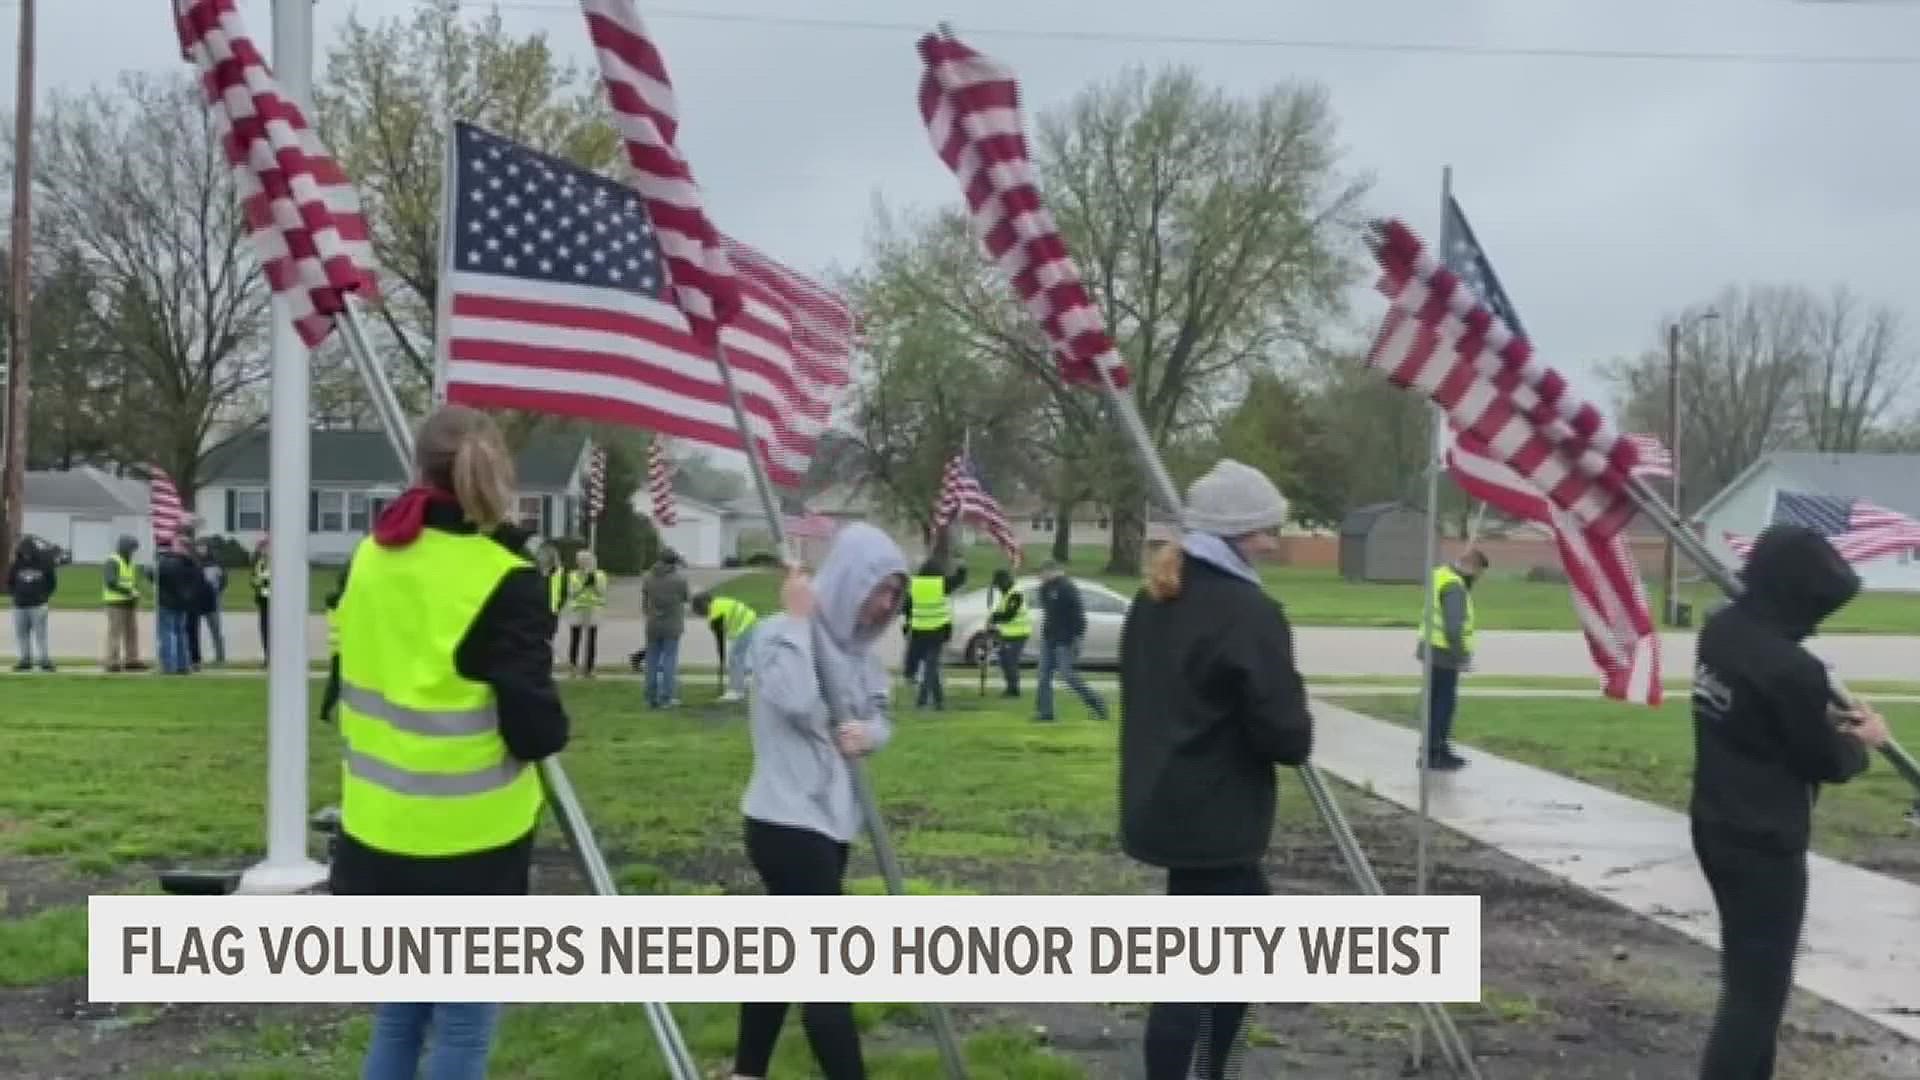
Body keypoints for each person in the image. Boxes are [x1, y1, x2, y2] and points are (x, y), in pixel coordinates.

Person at [325, 403, 571, 1080]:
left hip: (376, 831)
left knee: (402, 1009)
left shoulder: (370, 557)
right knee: (462, 1019)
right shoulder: (504, 579)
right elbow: (535, 728)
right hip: (469, 843)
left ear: (418, 466)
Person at [1118, 459, 1314, 1080]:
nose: (1273, 543)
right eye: (1264, 531)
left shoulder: (1153, 602)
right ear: (1236, 534)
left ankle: (1206, 1070)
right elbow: (1286, 735)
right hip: (1217, 815)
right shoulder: (1247, 612)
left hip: (1165, 801)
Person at [1689, 522, 1891, 1079]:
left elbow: (1767, 720)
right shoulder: (1794, 669)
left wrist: (1823, 720)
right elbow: (1824, 761)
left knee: (1747, 979)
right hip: (1766, 841)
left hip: (1714, 823)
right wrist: (1862, 741)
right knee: (1756, 1000)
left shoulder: (1721, 632)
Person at [730, 523, 906, 1080]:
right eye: (881, 589)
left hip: (831, 827)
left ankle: (746, 1072)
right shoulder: (778, 633)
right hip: (785, 823)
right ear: (852, 580)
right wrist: (800, 622)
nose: (887, 605)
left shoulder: (860, 654)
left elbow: (881, 714)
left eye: (896, 596)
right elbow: (797, 700)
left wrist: (869, 735)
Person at [1417, 549, 1489, 771]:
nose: (1478, 578)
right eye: (1478, 573)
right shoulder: (1455, 587)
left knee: (1434, 702)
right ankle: (1434, 752)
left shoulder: (1441, 574)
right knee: (1443, 705)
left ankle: (1434, 747)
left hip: (1430, 648)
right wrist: (1462, 658)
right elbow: (1453, 628)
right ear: (1472, 567)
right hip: (1444, 653)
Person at [1035, 561, 1106, 722]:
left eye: (1041, 573)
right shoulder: (1044, 589)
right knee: (1043, 675)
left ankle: (1098, 704)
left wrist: (1077, 638)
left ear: (1051, 571)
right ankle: (1045, 713)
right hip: (1049, 638)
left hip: (1065, 640)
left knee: (1068, 676)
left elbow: (1079, 616)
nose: (1039, 576)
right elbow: (1049, 614)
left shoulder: (1067, 587)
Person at [900, 558, 967, 710]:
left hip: (918, 632)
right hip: (937, 632)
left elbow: (905, 607)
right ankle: (923, 701)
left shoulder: (915, 585)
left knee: (931, 667)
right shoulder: (941, 584)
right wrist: (962, 567)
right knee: (931, 667)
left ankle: (939, 701)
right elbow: (959, 580)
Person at [692, 590, 761, 702]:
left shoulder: (715, 613)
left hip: (746, 627)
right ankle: (742, 685)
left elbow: (720, 640)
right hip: (751, 623)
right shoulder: (718, 602)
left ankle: (736, 691)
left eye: (699, 608)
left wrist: (722, 656)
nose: (701, 612)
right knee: (739, 658)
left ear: (704, 604)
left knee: (735, 658)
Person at [641, 548, 689, 707]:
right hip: (672, 624)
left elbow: (644, 602)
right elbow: (685, 598)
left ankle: (650, 697)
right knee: (669, 661)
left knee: (651, 661)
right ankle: (667, 696)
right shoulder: (679, 579)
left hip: (653, 623)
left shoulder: (647, 577)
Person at [8, 537, 57, 672]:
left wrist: (44, 596)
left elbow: (52, 582)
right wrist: (15, 595)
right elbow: (10, 582)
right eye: (24, 552)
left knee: (40, 634)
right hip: (20, 606)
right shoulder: (16, 565)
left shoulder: (44, 564)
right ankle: (25, 660)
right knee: (21, 634)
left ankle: (44, 660)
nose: (26, 554)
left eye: (28, 552)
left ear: (33, 551)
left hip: (38, 605)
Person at [154, 535, 199, 676]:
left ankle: (168, 666)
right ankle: (183, 665)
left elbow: (155, 575)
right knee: (180, 634)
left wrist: (156, 563)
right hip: (183, 603)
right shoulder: (193, 564)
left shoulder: (170, 563)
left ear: (180, 547)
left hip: (167, 602)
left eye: (174, 544)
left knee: (167, 634)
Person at [101, 534, 145, 673]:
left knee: (132, 632)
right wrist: (129, 591)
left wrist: (135, 593)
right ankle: (112, 661)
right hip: (115, 602)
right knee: (115, 633)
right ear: (124, 547)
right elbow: (111, 582)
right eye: (132, 548)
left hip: (129, 602)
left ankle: (132, 660)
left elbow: (131, 581)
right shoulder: (112, 561)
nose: (133, 552)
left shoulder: (130, 562)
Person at [984, 568, 1030, 697]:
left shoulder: (1016, 594)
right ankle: (1010, 686)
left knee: (1010, 661)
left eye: (998, 584)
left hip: (1019, 634)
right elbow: (1000, 612)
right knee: (1004, 661)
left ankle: (1014, 689)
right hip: (1007, 634)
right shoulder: (1006, 594)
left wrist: (994, 618)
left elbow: (1009, 615)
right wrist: (992, 620)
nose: (997, 587)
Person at [565, 549, 609, 677]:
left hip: (593, 610)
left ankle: (589, 669)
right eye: (581, 561)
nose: (583, 563)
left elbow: (602, 592)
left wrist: (594, 582)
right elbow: (572, 593)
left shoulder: (600, 575)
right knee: (575, 639)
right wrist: (584, 585)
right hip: (577, 610)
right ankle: (572, 667)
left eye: (586, 561)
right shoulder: (573, 575)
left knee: (591, 640)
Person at [195, 539, 228, 667]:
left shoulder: (215, 563)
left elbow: (224, 580)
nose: (201, 549)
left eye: (203, 547)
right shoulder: (194, 561)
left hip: (213, 600)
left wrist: (218, 591)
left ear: (208, 548)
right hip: (196, 600)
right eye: (199, 547)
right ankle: (196, 658)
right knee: (193, 630)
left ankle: (220, 658)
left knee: (216, 629)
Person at [251, 537, 272, 657]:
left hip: (272, 599)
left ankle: (274, 657)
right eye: (262, 548)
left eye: (265, 547)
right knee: (264, 628)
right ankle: (267, 656)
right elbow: (256, 578)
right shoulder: (259, 562)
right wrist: (254, 582)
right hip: (262, 598)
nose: (263, 550)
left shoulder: (275, 561)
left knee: (273, 629)